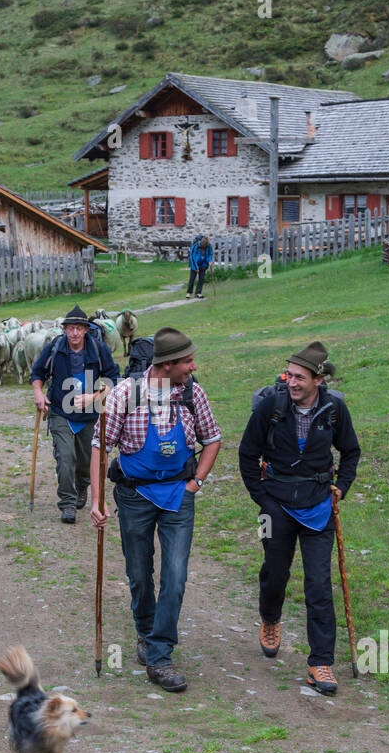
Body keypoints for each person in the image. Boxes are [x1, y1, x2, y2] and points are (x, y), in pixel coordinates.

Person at [90, 327, 222, 692]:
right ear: (166, 365)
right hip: (134, 495)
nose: (193, 366)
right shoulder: (125, 395)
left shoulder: (193, 392)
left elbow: (213, 439)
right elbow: (101, 446)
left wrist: (196, 482)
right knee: (139, 572)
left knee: (176, 575)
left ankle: (160, 655)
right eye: (187, 361)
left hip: (179, 494)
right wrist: (97, 499)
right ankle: (145, 633)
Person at [237, 341, 361, 696]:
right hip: (274, 505)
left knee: (319, 585)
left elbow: (350, 451)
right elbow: (247, 453)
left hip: (319, 506)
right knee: (274, 573)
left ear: (318, 380)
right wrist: (261, 497)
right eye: (289, 375)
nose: (291, 382)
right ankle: (271, 619)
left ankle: (320, 662)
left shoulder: (334, 409)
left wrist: (342, 488)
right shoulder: (270, 407)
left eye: (299, 377)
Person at [31, 305, 120, 523]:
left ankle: (82, 485)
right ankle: (67, 503)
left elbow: (113, 378)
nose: (74, 333)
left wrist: (94, 396)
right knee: (65, 457)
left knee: (85, 461)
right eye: (70, 328)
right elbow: (37, 372)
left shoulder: (98, 349)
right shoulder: (55, 347)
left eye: (78, 329)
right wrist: (38, 393)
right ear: (64, 330)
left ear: (86, 330)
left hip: (89, 413)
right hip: (60, 411)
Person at [185, 233, 212, 299]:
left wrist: (209, 260)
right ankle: (189, 293)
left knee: (201, 279)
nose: (204, 248)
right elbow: (192, 257)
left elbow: (210, 254)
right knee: (192, 278)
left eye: (205, 247)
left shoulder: (209, 246)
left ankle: (198, 293)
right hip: (194, 263)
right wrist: (196, 267)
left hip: (203, 264)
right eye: (203, 247)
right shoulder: (195, 246)